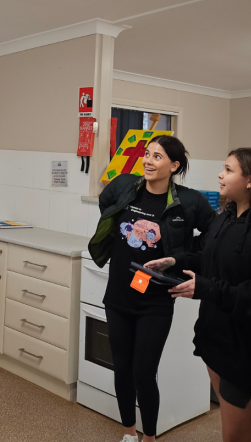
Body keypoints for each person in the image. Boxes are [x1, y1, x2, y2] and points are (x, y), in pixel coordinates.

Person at [145, 148, 251, 442]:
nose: (220, 175)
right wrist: (176, 261)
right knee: (238, 435)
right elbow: (206, 254)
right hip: (216, 342)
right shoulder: (226, 217)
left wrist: (205, 288)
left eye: (229, 170)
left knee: (235, 438)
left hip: (250, 353)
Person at [88, 135, 215, 442]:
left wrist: (180, 257)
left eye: (157, 157)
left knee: (144, 373)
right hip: (119, 293)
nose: (148, 160)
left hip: (155, 299)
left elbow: (214, 234)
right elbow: (106, 205)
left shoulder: (189, 200)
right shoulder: (124, 187)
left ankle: (150, 437)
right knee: (123, 368)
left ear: (173, 166)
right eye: (147, 154)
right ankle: (129, 433)